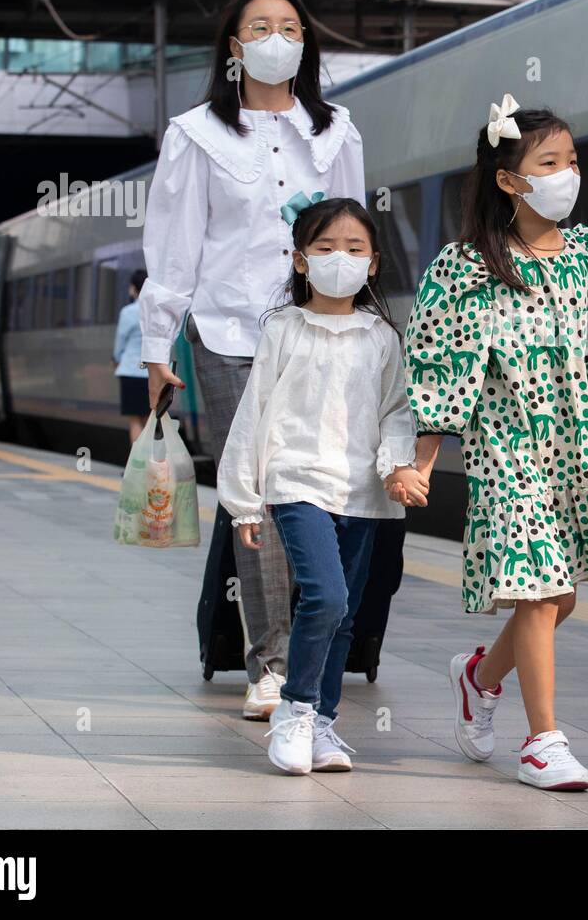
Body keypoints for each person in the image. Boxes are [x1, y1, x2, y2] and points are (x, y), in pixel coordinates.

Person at [404, 96, 588, 791]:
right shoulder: (469, 265)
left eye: (573, 161)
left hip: (570, 449)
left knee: (556, 598)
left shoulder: (586, 254)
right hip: (508, 449)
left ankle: (477, 677)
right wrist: (424, 459)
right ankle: (543, 741)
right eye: (549, 163)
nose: (568, 174)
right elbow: (444, 362)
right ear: (508, 179)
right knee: (541, 590)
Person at [139, 0, 369, 721]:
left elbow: (356, 241)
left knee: (319, 486)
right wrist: (155, 345)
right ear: (234, 49)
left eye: (290, 27)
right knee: (263, 492)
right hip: (232, 332)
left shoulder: (337, 135)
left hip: (321, 336)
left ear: (306, 43)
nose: (277, 38)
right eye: (260, 27)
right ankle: (268, 663)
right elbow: (174, 252)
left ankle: (314, 644)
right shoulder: (196, 134)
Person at [217, 197, 426, 774]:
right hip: (296, 481)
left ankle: (324, 724)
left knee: (346, 614)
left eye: (355, 249)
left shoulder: (382, 337)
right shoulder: (283, 328)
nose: (342, 259)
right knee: (326, 597)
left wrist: (396, 465)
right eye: (326, 248)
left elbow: (396, 410)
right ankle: (294, 710)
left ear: (374, 263)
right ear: (301, 261)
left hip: (364, 490)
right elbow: (253, 412)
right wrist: (243, 502)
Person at [113, 270, 148, 444]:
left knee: (135, 421)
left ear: (134, 288)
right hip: (153, 371)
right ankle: (152, 466)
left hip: (131, 371)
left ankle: (137, 467)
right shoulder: (156, 311)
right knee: (150, 420)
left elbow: (120, 343)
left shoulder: (128, 312)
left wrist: (116, 359)